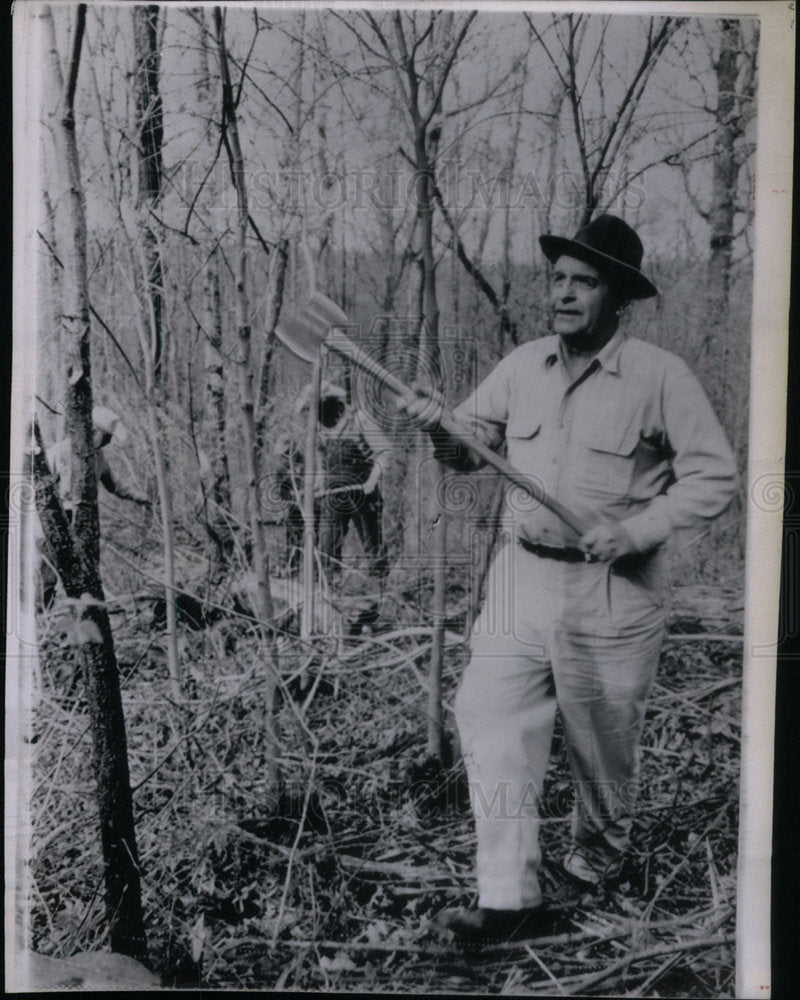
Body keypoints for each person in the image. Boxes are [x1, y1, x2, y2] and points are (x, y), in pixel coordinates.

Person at [398, 213, 739, 943]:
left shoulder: (659, 378)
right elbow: (464, 450)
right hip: (520, 578)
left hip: (613, 593)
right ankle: (510, 896)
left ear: (618, 298)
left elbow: (715, 476)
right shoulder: (522, 367)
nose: (564, 294)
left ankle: (595, 864)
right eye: (557, 280)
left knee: (601, 750)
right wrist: (435, 424)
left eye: (584, 282)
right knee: (485, 718)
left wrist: (636, 529)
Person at [276, 382, 392, 579]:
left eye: (319, 409)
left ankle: (379, 591)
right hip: (333, 495)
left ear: (331, 404)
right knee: (327, 547)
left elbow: (385, 452)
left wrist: (372, 481)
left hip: (362, 492)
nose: (318, 416)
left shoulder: (359, 420)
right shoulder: (320, 428)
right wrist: (316, 487)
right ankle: (329, 590)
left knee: (373, 546)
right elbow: (322, 462)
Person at [38, 406, 150, 607]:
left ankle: (86, 612)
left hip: (86, 520)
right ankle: (44, 613)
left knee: (85, 570)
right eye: (106, 437)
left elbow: (114, 485)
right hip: (58, 518)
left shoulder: (98, 458)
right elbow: (42, 487)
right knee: (49, 570)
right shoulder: (60, 452)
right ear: (93, 431)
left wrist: (139, 497)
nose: (108, 442)